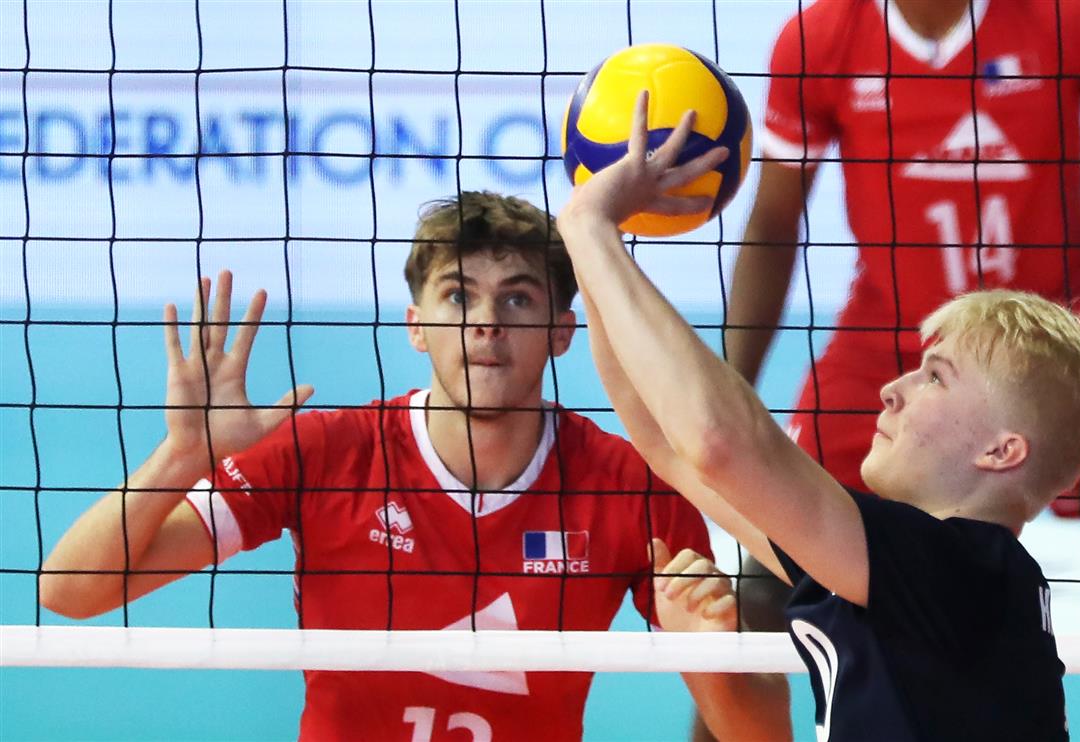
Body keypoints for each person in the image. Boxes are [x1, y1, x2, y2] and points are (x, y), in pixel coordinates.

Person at [38, 192, 790, 742]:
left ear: (562, 332)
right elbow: (69, 590)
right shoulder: (328, 451)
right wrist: (181, 456)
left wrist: (711, 658)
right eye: (458, 297)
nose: (486, 323)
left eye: (517, 300)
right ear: (416, 326)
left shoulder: (629, 486)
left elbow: (760, 736)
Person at [726, 0, 1080, 738]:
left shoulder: (1067, 15)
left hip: (1063, 347)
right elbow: (772, 218)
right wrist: (735, 384)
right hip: (896, 342)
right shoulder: (819, 37)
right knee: (756, 595)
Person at [556, 96, 1080, 739]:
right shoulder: (902, 571)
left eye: (936, 377)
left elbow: (719, 443)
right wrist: (597, 249)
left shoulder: (962, 570)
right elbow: (666, 443)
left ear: (1002, 451)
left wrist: (590, 227)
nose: (892, 390)